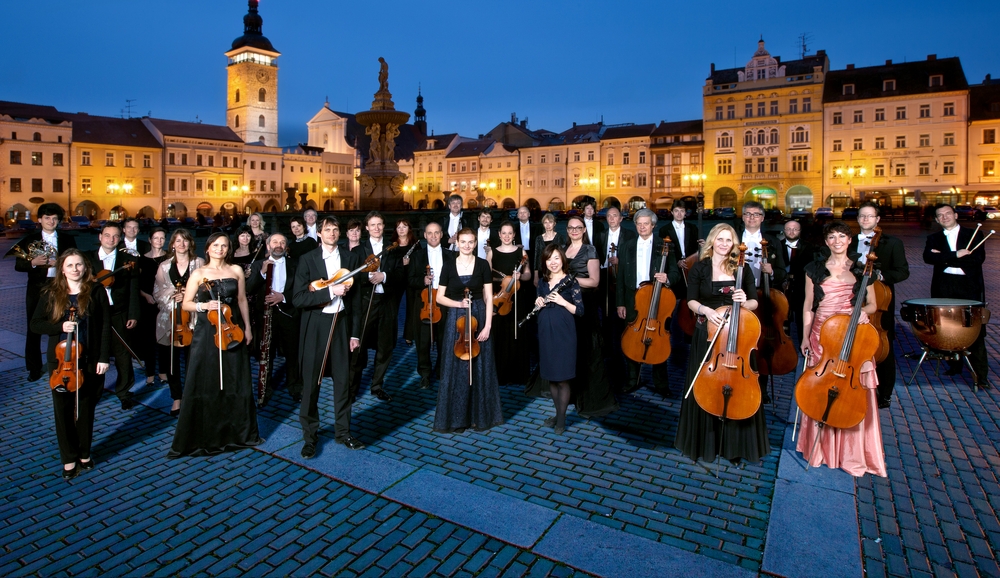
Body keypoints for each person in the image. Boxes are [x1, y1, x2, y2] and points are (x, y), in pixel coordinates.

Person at [796, 221, 886, 477]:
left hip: (850, 334)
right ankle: (821, 449)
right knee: (819, 389)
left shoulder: (861, 268)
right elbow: (808, 305)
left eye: (842, 236)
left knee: (852, 387)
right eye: (832, 236)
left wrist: (861, 315)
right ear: (827, 242)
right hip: (821, 334)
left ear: (849, 240)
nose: (837, 240)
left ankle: (852, 451)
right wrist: (804, 336)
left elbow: (872, 304)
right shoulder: (814, 269)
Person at [674, 223, 769, 464]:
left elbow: (755, 303)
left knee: (736, 388)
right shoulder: (700, 268)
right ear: (712, 241)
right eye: (720, 239)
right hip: (707, 333)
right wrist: (705, 310)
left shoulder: (742, 268)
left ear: (734, 244)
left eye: (729, 240)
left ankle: (734, 446)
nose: (724, 244)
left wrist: (744, 301)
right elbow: (691, 300)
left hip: (737, 336)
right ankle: (704, 443)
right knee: (706, 386)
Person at [168, 232, 263, 457]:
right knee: (206, 380)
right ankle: (206, 435)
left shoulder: (236, 270)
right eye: (216, 245)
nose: (220, 249)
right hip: (207, 332)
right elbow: (187, 304)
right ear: (208, 248)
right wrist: (204, 307)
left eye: (224, 246)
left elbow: (241, 300)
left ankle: (239, 434)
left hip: (232, 328)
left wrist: (248, 328)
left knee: (236, 380)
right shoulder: (198, 273)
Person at [32, 250, 111, 479]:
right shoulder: (51, 293)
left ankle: (84, 453)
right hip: (60, 363)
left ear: (85, 268)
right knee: (63, 411)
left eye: (79, 265)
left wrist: (104, 358)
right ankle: (68, 458)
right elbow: (36, 324)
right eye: (70, 265)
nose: (75, 269)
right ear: (62, 269)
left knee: (86, 409)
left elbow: (106, 326)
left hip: (89, 359)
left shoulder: (96, 291)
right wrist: (60, 327)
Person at [292, 216, 365, 454]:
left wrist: (355, 334)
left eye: (335, 229)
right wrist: (329, 292)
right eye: (327, 230)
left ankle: (343, 432)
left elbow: (356, 302)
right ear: (319, 234)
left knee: (343, 382)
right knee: (312, 383)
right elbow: (299, 298)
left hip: (342, 324)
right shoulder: (307, 260)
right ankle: (310, 437)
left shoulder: (351, 258)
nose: (332, 233)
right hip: (316, 325)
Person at [434, 228, 503, 432]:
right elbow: (439, 297)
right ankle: (457, 419)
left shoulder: (482, 265)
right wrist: (459, 305)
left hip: (479, 316)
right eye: (462, 242)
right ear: (457, 243)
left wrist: (488, 325)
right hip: (457, 318)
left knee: (481, 366)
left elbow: (489, 296)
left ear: (475, 243)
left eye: (470, 242)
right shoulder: (448, 266)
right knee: (456, 367)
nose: (466, 245)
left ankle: (479, 417)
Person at [849, 202, 910, 407]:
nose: (865, 220)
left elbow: (903, 271)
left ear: (877, 219)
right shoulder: (848, 241)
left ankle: (884, 393)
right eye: (862, 216)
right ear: (858, 219)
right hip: (852, 298)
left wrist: (880, 275)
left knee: (883, 346)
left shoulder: (892, 243)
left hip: (881, 300)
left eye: (870, 216)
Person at [923, 204, 989, 388]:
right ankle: (955, 365)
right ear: (936, 220)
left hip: (968, 287)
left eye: (947, 213)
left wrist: (943, 256)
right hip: (943, 287)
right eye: (940, 215)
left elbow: (976, 259)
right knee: (948, 327)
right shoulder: (933, 238)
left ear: (955, 215)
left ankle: (981, 376)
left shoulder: (974, 234)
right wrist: (956, 254)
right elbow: (928, 258)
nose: (944, 217)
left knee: (974, 331)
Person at [616, 208, 681, 395]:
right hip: (632, 299)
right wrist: (620, 303)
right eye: (639, 223)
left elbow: (676, 274)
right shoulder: (626, 245)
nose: (642, 227)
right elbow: (620, 277)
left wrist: (667, 278)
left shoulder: (665, 245)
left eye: (646, 223)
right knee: (631, 340)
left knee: (657, 341)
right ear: (635, 225)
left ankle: (661, 384)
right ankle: (632, 380)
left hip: (656, 299)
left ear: (653, 225)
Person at [14, 202, 77, 382]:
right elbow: (18, 265)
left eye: (55, 218)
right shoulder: (29, 240)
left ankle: (59, 362)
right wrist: (34, 263)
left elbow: (76, 258)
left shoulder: (67, 239)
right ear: (40, 220)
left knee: (61, 325)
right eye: (47, 218)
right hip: (37, 288)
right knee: (33, 328)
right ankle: (33, 368)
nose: (51, 221)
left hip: (60, 286)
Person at [564, 216, 618, 417]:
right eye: (571, 227)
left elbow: (594, 281)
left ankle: (590, 398)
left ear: (584, 230)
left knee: (587, 350)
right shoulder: (562, 249)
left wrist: (570, 279)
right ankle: (571, 393)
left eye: (578, 227)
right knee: (570, 350)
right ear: (567, 230)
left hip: (584, 305)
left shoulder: (590, 250)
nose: (575, 230)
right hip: (566, 304)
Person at [86, 223, 140, 411]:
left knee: (123, 355)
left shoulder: (129, 260)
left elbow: (133, 289)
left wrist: (133, 313)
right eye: (107, 235)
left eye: (115, 236)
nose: (111, 239)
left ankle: (124, 392)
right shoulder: (87, 258)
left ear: (120, 238)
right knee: (95, 354)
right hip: (95, 314)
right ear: (100, 237)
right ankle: (94, 393)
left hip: (119, 312)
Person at [348, 211, 400, 403]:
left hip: (386, 304)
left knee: (385, 347)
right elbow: (352, 276)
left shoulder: (393, 249)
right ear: (367, 228)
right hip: (365, 303)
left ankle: (377, 385)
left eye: (380, 224)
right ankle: (352, 389)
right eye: (373, 225)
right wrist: (368, 277)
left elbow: (400, 275)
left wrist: (384, 276)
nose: (376, 228)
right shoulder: (358, 251)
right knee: (358, 347)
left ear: (383, 227)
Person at [246, 233, 302, 406]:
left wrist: (283, 297)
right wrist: (262, 273)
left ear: (286, 246)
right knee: (266, 353)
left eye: (283, 242)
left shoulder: (296, 264)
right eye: (275, 242)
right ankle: (265, 389)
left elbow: (301, 290)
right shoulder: (257, 266)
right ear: (268, 246)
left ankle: (295, 387)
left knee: (293, 354)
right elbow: (249, 289)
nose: (279, 245)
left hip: (288, 314)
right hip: (265, 316)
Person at [153, 229, 204, 416]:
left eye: (185, 241)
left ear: (190, 243)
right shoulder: (164, 266)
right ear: (172, 244)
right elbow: (157, 292)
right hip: (171, 319)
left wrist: (188, 296)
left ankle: (193, 396)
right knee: (172, 362)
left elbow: (207, 289)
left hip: (193, 319)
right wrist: (173, 296)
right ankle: (177, 397)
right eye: (178, 241)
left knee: (194, 360)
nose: (182, 244)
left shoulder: (199, 264)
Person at [739, 201, 786, 403]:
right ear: (742, 217)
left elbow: (783, 272)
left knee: (762, 343)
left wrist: (772, 271)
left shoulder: (773, 242)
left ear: (762, 218)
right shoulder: (732, 239)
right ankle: (739, 381)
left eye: (756, 214)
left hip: (763, 296)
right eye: (748, 214)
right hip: (739, 296)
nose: (752, 218)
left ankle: (762, 387)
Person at [535, 244, 584, 433]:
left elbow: (580, 311)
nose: (553, 262)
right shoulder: (542, 282)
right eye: (549, 259)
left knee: (563, 378)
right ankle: (558, 413)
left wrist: (563, 302)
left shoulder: (571, 281)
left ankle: (561, 419)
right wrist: (538, 302)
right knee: (552, 378)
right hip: (545, 330)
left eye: (556, 258)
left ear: (562, 259)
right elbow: (540, 301)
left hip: (564, 332)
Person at [409, 222, 455, 390]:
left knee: (445, 339)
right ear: (425, 235)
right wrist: (423, 281)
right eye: (430, 233)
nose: (433, 236)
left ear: (442, 235)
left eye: (436, 233)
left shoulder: (451, 255)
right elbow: (409, 280)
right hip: (424, 302)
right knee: (423, 342)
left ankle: (442, 372)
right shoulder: (417, 256)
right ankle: (425, 374)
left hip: (444, 301)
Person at [595, 206, 636, 390]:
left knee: (620, 314)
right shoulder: (602, 235)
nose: (612, 218)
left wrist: (620, 260)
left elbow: (633, 256)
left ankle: (621, 343)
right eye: (609, 216)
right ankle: (608, 347)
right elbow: (598, 255)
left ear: (621, 219)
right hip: (605, 276)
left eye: (615, 216)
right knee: (606, 310)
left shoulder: (628, 235)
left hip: (621, 275)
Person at [659, 200, 703, 364]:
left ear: (685, 213)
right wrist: (677, 262)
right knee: (673, 303)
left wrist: (702, 249)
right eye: (676, 211)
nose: (679, 214)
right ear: (672, 212)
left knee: (690, 302)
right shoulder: (664, 230)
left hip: (690, 271)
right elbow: (664, 251)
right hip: (675, 272)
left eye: (682, 211)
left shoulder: (692, 228)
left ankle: (689, 335)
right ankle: (669, 334)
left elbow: (696, 251)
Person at [488, 222, 531, 385]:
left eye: (510, 233)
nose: (506, 236)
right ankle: (499, 374)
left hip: (516, 297)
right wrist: (489, 301)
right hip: (498, 297)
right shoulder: (492, 253)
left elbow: (527, 275)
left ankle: (518, 375)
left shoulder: (521, 252)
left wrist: (520, 276)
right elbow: (486, 278)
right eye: (503, 233)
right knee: (499, 334)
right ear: (499, 234)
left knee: (516, 333)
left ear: (514, 235)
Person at [137, 227, 168, 385]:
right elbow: (138, 284)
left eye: (162, 238)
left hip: (164, 303)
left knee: (163, 338)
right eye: (156, 238)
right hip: (148, 303)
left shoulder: (169, 257)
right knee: (148, 339)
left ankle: (163, 371)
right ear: (150, 240)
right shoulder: (142, 259)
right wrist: (146, 295)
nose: (159, 241)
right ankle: (150, 372)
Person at [780, 219, 815, 342]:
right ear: (784, 231)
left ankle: (802, 343)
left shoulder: (809, 247)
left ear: (800, 231)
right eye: (788, 229)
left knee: (801, 318)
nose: (791, 231)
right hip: (782, 288)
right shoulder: (777, 245)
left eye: (795, 229)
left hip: (802, 289)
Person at [393, 219, 420, 346]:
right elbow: (389, 264)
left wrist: (410, 263)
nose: (402, 229)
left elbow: (419, 262)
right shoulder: (391, 245)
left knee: (411, 307)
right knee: (393, 308)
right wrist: (400, 263)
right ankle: (391, 334)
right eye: (399, 227)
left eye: (404, 226)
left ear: (409, 228)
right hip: (396, 279)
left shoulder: (416, 244)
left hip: (410, 279)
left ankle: (409, 335)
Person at [532, 213, 566, 286]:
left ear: (554, 224)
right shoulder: (538, 238)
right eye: (545, 222)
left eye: (550, 222)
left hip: (556, 270)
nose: (548, 225)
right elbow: (536, 256)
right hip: (542, 271)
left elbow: (563, 256)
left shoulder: (560, 237)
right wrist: (535, 275)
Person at [512, 206, 542, 272]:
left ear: (529, 214)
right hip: (518, 255)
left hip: (533, 256)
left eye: (524, 212)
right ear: (517, 215)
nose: (522, 214)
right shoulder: (512, 227)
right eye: (520, 212)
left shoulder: (537, 227)